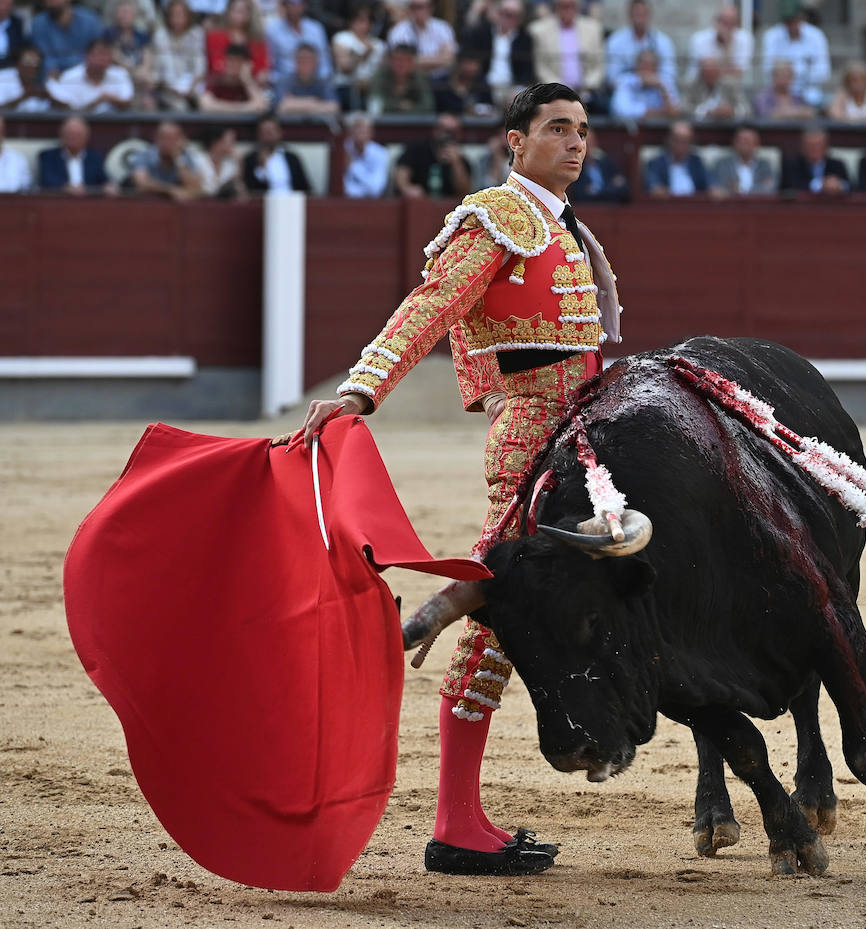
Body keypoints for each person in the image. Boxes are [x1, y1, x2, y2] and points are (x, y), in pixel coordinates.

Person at [277, 82, 622, 878]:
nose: (575, 143)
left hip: (582, 432)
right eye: (557, 129)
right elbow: (428, 309)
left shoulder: (563, 225)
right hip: (533, 434)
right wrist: (363, 388)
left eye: (581, 131)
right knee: (495, 609)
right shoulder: (497, 218)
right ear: (515, 141)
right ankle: (455, 822)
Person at [528, 0, 601, 106]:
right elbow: (541, 68)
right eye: (563, 6)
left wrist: (587, 88)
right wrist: (561, 89)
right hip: (552, 94)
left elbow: (598, 66)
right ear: (556, 6)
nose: (567, 9)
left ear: (577, 7)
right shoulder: (538, 30)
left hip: (588, 93)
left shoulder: (593, 29)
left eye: (571, 5)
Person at [759, 0, 829, 109]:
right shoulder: (771, 36)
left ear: (802, 17)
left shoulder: (817, 36)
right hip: (779, 92)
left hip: (808, 91)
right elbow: (767, 71)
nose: (790, 24)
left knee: (819, 103)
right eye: (787, 20)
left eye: (793, 19)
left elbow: (823, 72)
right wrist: (786, 80)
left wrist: (790, 76)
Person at [460, 0, 531, 104]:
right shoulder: (482, 33)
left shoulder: (524, 38)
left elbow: (527, 71)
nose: (506, 17)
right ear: (497, 13)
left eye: (511, 15)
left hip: (512, 89)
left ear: (519, 19)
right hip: (484, 87)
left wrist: (517, 89)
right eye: (503, 13)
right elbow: (470, 61)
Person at [393, 110, 470, 198]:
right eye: (444, 130)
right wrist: (406, 188)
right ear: (435, 130)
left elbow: (464, 193)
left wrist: (456, 163)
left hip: (448, 208)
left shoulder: (462, 160)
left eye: (453, 132)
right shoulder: (416, 149)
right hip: (418, 203)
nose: (448, 136)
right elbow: (401, 173)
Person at [47, 36, 134, 110]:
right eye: (99, 54)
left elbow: (128, 103)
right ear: (87, 56)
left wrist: (111, 99)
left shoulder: (120, 75)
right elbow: (68, 111)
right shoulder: (69, 77)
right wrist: (97, 101)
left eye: (106, 54)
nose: (103, 59)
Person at [604, 0, 673, 90]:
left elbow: (669, 75)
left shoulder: (663, 42)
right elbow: (612, 77)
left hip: (655, 90)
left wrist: (652, 80)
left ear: (649, 15)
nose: (639, 18)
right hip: (626, 92)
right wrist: (637, 80)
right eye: (636, 14)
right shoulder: (615, 41)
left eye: (642, 14)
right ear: (629, 15)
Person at [129, 119, 204, 199]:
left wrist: (178, 158)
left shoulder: (184, 157)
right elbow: (141, 182)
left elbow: (196, 187)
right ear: (157, 139)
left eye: (174, 139)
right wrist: (170, 190)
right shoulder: (144, 155)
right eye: (165, 138)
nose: (168, 143)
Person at [38, 113, 111, 193]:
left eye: (77, 135)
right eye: (69, 134)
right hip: (59, 202)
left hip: (89, 202)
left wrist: (109, 186)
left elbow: (104, 181)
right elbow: (46, 182)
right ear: (61, 135)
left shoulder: (94, 158)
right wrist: (65, 188)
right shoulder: (48, 157)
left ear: (86, 137)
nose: (73, 138)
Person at [329, 1, 382, 110]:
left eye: (369, 21)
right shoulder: (342, 38)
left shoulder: (379, 44)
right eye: (361, 21)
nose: (365, 25)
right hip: (347, 87)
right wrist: (363, 55)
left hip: (372, 88)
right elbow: (345, 68)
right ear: (352, 22)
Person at [152, 0, 205, 109]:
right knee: (180, 106)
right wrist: (173, 88)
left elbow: (200, 66)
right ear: (168, 16)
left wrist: (192, 87)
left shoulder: (197, 34)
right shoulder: (160, 36)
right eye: (174, 14)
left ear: (188, 16)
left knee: (205, 103)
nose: (178, 19)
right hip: (167, 89)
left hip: (193, 87)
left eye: (181, 14)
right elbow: (158, 71)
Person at [385, 0, 454, 81]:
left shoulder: (443, 27)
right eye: (414, 7)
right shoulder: (398, 30)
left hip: (441, 79)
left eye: (421, 7)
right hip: (410, 80)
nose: (418, 11)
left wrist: (415, 61)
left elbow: (448, 59)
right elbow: (399, 62)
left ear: (431, 8)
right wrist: (436, 59)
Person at [31, 0, 103, 77]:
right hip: (53, 76)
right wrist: (51, 67)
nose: (50, 2)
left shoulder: (90, 20)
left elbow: (97, 51)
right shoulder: (39, 23)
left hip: (86, 74)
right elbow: (43, 55)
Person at [242, 113, 311, 193]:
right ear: (258, 134)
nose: (268, 136)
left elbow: (305, 189)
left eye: (271, 131)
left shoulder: (292, 158)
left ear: (280, 133)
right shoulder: (251, 160)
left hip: (292, 202)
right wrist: (261, 169)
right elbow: (250, 192)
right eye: (264, 132)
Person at [104, 0, 155, 109]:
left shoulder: (142, 35)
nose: (124, 16)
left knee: (149, 96)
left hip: (139, 78)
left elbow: (147, 58)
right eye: (122, 12)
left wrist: (143, 71)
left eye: (127, 12)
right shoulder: (109, 34)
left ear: (134, 15)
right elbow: (114, 57)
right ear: (116, 14)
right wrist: (134, 71)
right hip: (119, 76)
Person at [206, 0, 268, 85]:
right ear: (228, 11)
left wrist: (249, 76)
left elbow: (262, 69)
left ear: (250, 14)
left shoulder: (257, 41)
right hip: (220, 84)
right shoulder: (214, 37)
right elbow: (214, 66)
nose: (239, 14)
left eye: (243, 11)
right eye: (236, 10)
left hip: (250, 85)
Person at [685, 4, 750, 85]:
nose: (727, 28)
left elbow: (738, 73)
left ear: (737, 24)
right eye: (724, 22)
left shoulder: (744, 38)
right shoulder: (699, 39)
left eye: (731, 23)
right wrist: (719, 69)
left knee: (730, 83)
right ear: (716, 22)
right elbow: (705, 71)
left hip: (728, 88)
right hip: (699, 86)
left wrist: (727, 45)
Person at [266, 0, 329, 84]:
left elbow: (324, 62)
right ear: (284, 5)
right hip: (285, 82)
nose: (295, 7)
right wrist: (278, 80)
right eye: (291, 3)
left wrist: (322, 80)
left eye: (299, 3)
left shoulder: (316, 28)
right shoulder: (272, 30)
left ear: (304, 5)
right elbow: (271, 64)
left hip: (316, 82)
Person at [608, 47, 676, 121]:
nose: (646, 70)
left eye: (651, 66)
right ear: (636, 66)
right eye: (644, 65)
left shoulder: (664, 81)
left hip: (660, 129)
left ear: (657, 68)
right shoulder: (624, 80)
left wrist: (662, 89)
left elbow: (674, 112)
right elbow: (622, 111)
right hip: (627, 129)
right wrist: (661, 113)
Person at [644, 119, 707, 198]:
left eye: (685, 141)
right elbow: (652, 184)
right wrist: (657, 189)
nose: (681, 145)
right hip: (666, 207)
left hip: (695, 207)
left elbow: (711, 183)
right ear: (669, 140)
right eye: (677, 140)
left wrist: (715, 189)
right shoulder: (656, 163)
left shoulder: (696, 162)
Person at [197, 40, 267, 110]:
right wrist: (247, 107)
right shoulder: (217, 82)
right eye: (230, 60)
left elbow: (260, 106)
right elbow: (206, 104)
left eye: (238, 61)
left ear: (247, 65)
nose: (233, 65)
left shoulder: (251, 83)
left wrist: (247, 79)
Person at [780, 123, 847, 195]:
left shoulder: (837, 165)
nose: (814, 149)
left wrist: (840, 186)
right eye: (810, 146)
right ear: (803, 146)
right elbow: (791, 187)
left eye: (818, 145)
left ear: (826, 146)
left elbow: (851, 187)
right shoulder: (792, 165)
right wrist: (821, 185)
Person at [366, 41, 432, 115]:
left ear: (412, 62)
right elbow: (374, 103)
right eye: (397, 59)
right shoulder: (380, 75)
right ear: (390, 61)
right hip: (385, 121)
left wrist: (411, 109)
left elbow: (428, 105)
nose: (401, 64)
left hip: (414, 122)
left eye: (406, 60)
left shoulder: (419, 77)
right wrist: (399, 106)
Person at [710, 124, 775, 196]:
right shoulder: (723, 164)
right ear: (734, 142)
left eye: (748, 141)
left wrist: (740, 190)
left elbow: (769, 188)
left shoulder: (764, 165)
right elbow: (719, 189)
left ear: (756, 144)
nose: (745, 145)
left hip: (759, 206)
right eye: (741, 141)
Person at [567, 125, 627, 202]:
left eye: (592, 142)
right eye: (586, 143)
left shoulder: (606, 163)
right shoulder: (574, 166)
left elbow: (623, 189)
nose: (590, 146)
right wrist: (610, 188)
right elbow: (580, 194)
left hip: (611, 208)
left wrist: (597, 190)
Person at [275, 41, 337, 113]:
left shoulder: (323, 82)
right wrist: (313, 102)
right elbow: (281, 106)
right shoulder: (285, 81)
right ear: (295, 61)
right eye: (301, 59)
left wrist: (295, 103)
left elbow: (334, 107)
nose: (305, 63)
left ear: (317, 62)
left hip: (318, 124)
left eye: (309, 59)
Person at [0, 43, 53, 110]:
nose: (32, 68)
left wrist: (49, 97)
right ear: (17, 64)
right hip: (9, 120)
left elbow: (63, 109)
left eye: (36, 64)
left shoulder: (44, 79)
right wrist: (24, 97)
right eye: (28, 63)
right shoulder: (2, 77)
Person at [683, 56, 747, 121]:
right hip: (699, 126)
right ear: (701, 73)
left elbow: (746, 109)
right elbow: (684, 108)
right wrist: (705, 111)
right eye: (706, 73)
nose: (710, 76)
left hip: (729, 125)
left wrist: (733, 111)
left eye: (713, 73)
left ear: (719, 72)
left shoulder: (731, 84)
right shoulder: (693, 84)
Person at [341, 110, 389, 197]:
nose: (360, 135)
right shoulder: (341, 150)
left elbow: (376, 188)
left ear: (371, 133)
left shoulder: (380, 153)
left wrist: (353, 166)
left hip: (373, 204)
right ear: (349, 133)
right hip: (344, 203)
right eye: (356, 130)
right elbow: (343, 188)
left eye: (363, 131)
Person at [433, 50, 492, 116]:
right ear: (459, 64)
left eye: (475, 64)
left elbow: (490, 107)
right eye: (468, 63)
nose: (471, 68)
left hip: (476, 123)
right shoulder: (441, 83)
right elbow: (434, 108)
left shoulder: (482, 84)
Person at [193, 124, 246, 197]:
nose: (232, 144)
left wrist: (240, 163)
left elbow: (238, 189)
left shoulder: (231, 164)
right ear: (216, 142)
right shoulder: (197, 160)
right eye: (230, 140)